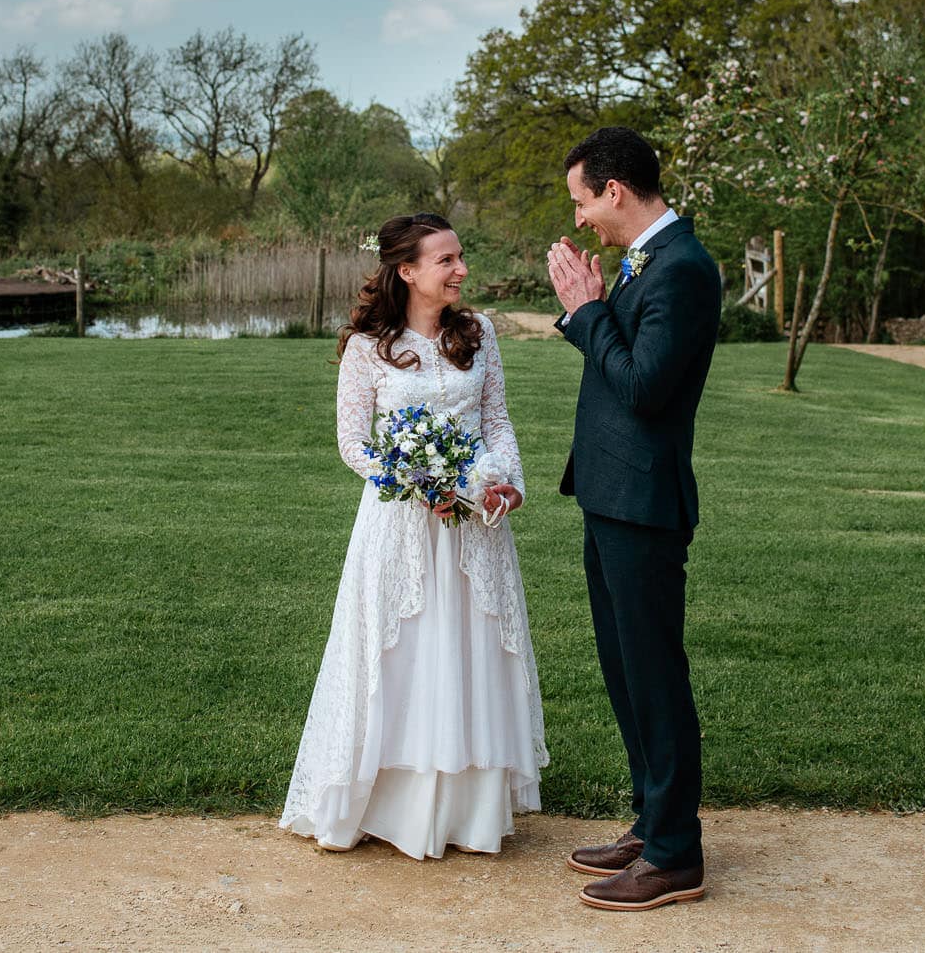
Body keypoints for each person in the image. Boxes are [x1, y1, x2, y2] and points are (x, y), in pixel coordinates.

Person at [280, 212, 548, 859]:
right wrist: (412, 480)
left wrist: (508, 482)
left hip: (474, 523)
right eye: (446, 260)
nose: (461, 270)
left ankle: (468, 815)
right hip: (399, 525)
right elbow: (353, 444)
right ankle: (385, 806)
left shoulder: (479, 334)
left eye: (460, 257)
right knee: (401, 654)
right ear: (406, 270)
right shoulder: (367, 347)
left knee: (468, 650)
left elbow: (496, 422)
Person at [545, 126, 723, 912]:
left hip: (644, 503)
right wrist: (594, 307)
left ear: (614, 191)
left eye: (582, 201)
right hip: (612, 495)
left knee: (654, 675)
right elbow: (625, 365)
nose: (579, 218)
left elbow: (645, 387)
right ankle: (653, 823)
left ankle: (676, 854)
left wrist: (587, 312)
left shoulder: (682, 267)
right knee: (626, 670)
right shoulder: (648, 260)